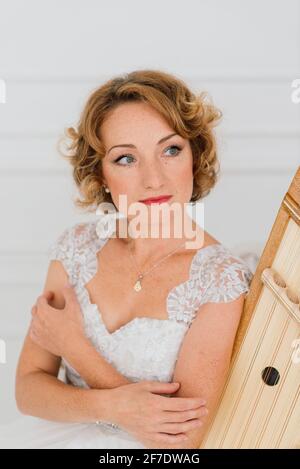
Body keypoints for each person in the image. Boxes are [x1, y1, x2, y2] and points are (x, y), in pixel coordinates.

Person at [0, 69, 253, 449]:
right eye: (125, 159)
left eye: (170, 150)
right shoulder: (75, 250)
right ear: (100, 173)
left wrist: (75, 348)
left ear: (195, 154)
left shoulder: (221, 280)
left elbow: (181, 439)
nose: (153, 179)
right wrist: (113, 405)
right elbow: (27, 389)